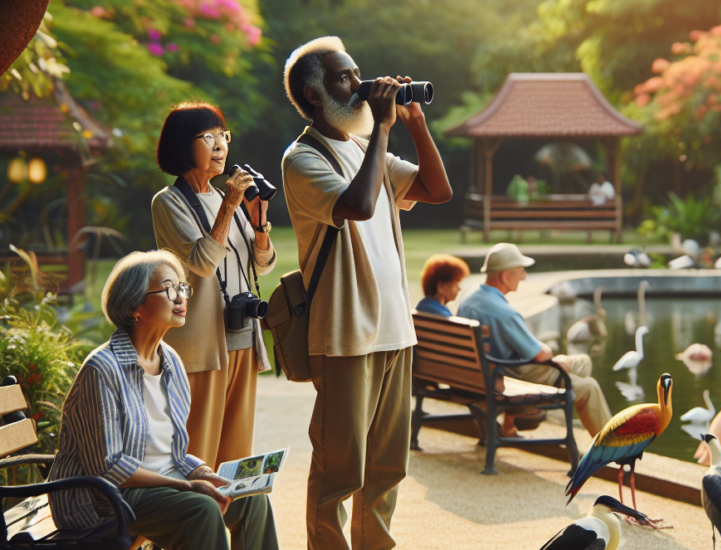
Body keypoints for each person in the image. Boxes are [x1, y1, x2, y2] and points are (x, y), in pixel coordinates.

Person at [281, 36, 452, 550]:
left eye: (356, 74)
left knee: (385, 465)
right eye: (344, 78)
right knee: (340, 467)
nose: (359, 85)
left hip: (395, 331)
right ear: (314, 96)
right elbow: (356, 204)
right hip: (345, 334)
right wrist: (380, 126)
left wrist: (416, 126)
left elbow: (435, 190)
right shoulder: (302, 158)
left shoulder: (362, 146)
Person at [48, 251, 278, 550]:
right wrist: (186, 485)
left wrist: (205, 474)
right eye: (169, 289)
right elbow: (107, 469)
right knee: (202, 508)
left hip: (161, 483)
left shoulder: (170, 361)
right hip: (103, 499)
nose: (180, 298)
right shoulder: (102, 370)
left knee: (249, 500)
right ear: (134, 306)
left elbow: (174, 453)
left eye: (183, 288)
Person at [151, 101, 277, 470]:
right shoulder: (169, 202)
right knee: (199, 454)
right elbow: (204, 263)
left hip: (241, 336)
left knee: (237, 456)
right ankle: (195, 525)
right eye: (208, 137)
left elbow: (262, 264)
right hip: (202, 346)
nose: (221, 144)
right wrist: (230, 208)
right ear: (181, 145)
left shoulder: (225, 198)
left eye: (224, 135)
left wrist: (258, 224)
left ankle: (231, 522)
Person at [457, 243, 612, 437]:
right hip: (507, 377)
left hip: (478, 375)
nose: (524, 277)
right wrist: (552, 354)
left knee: (582, 364)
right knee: (588, 386)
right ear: (505, 276)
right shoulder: (504, 313)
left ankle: (515, 421)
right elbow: (540, 354)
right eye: (520, 272)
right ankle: (610, 448)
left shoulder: (469, 298)